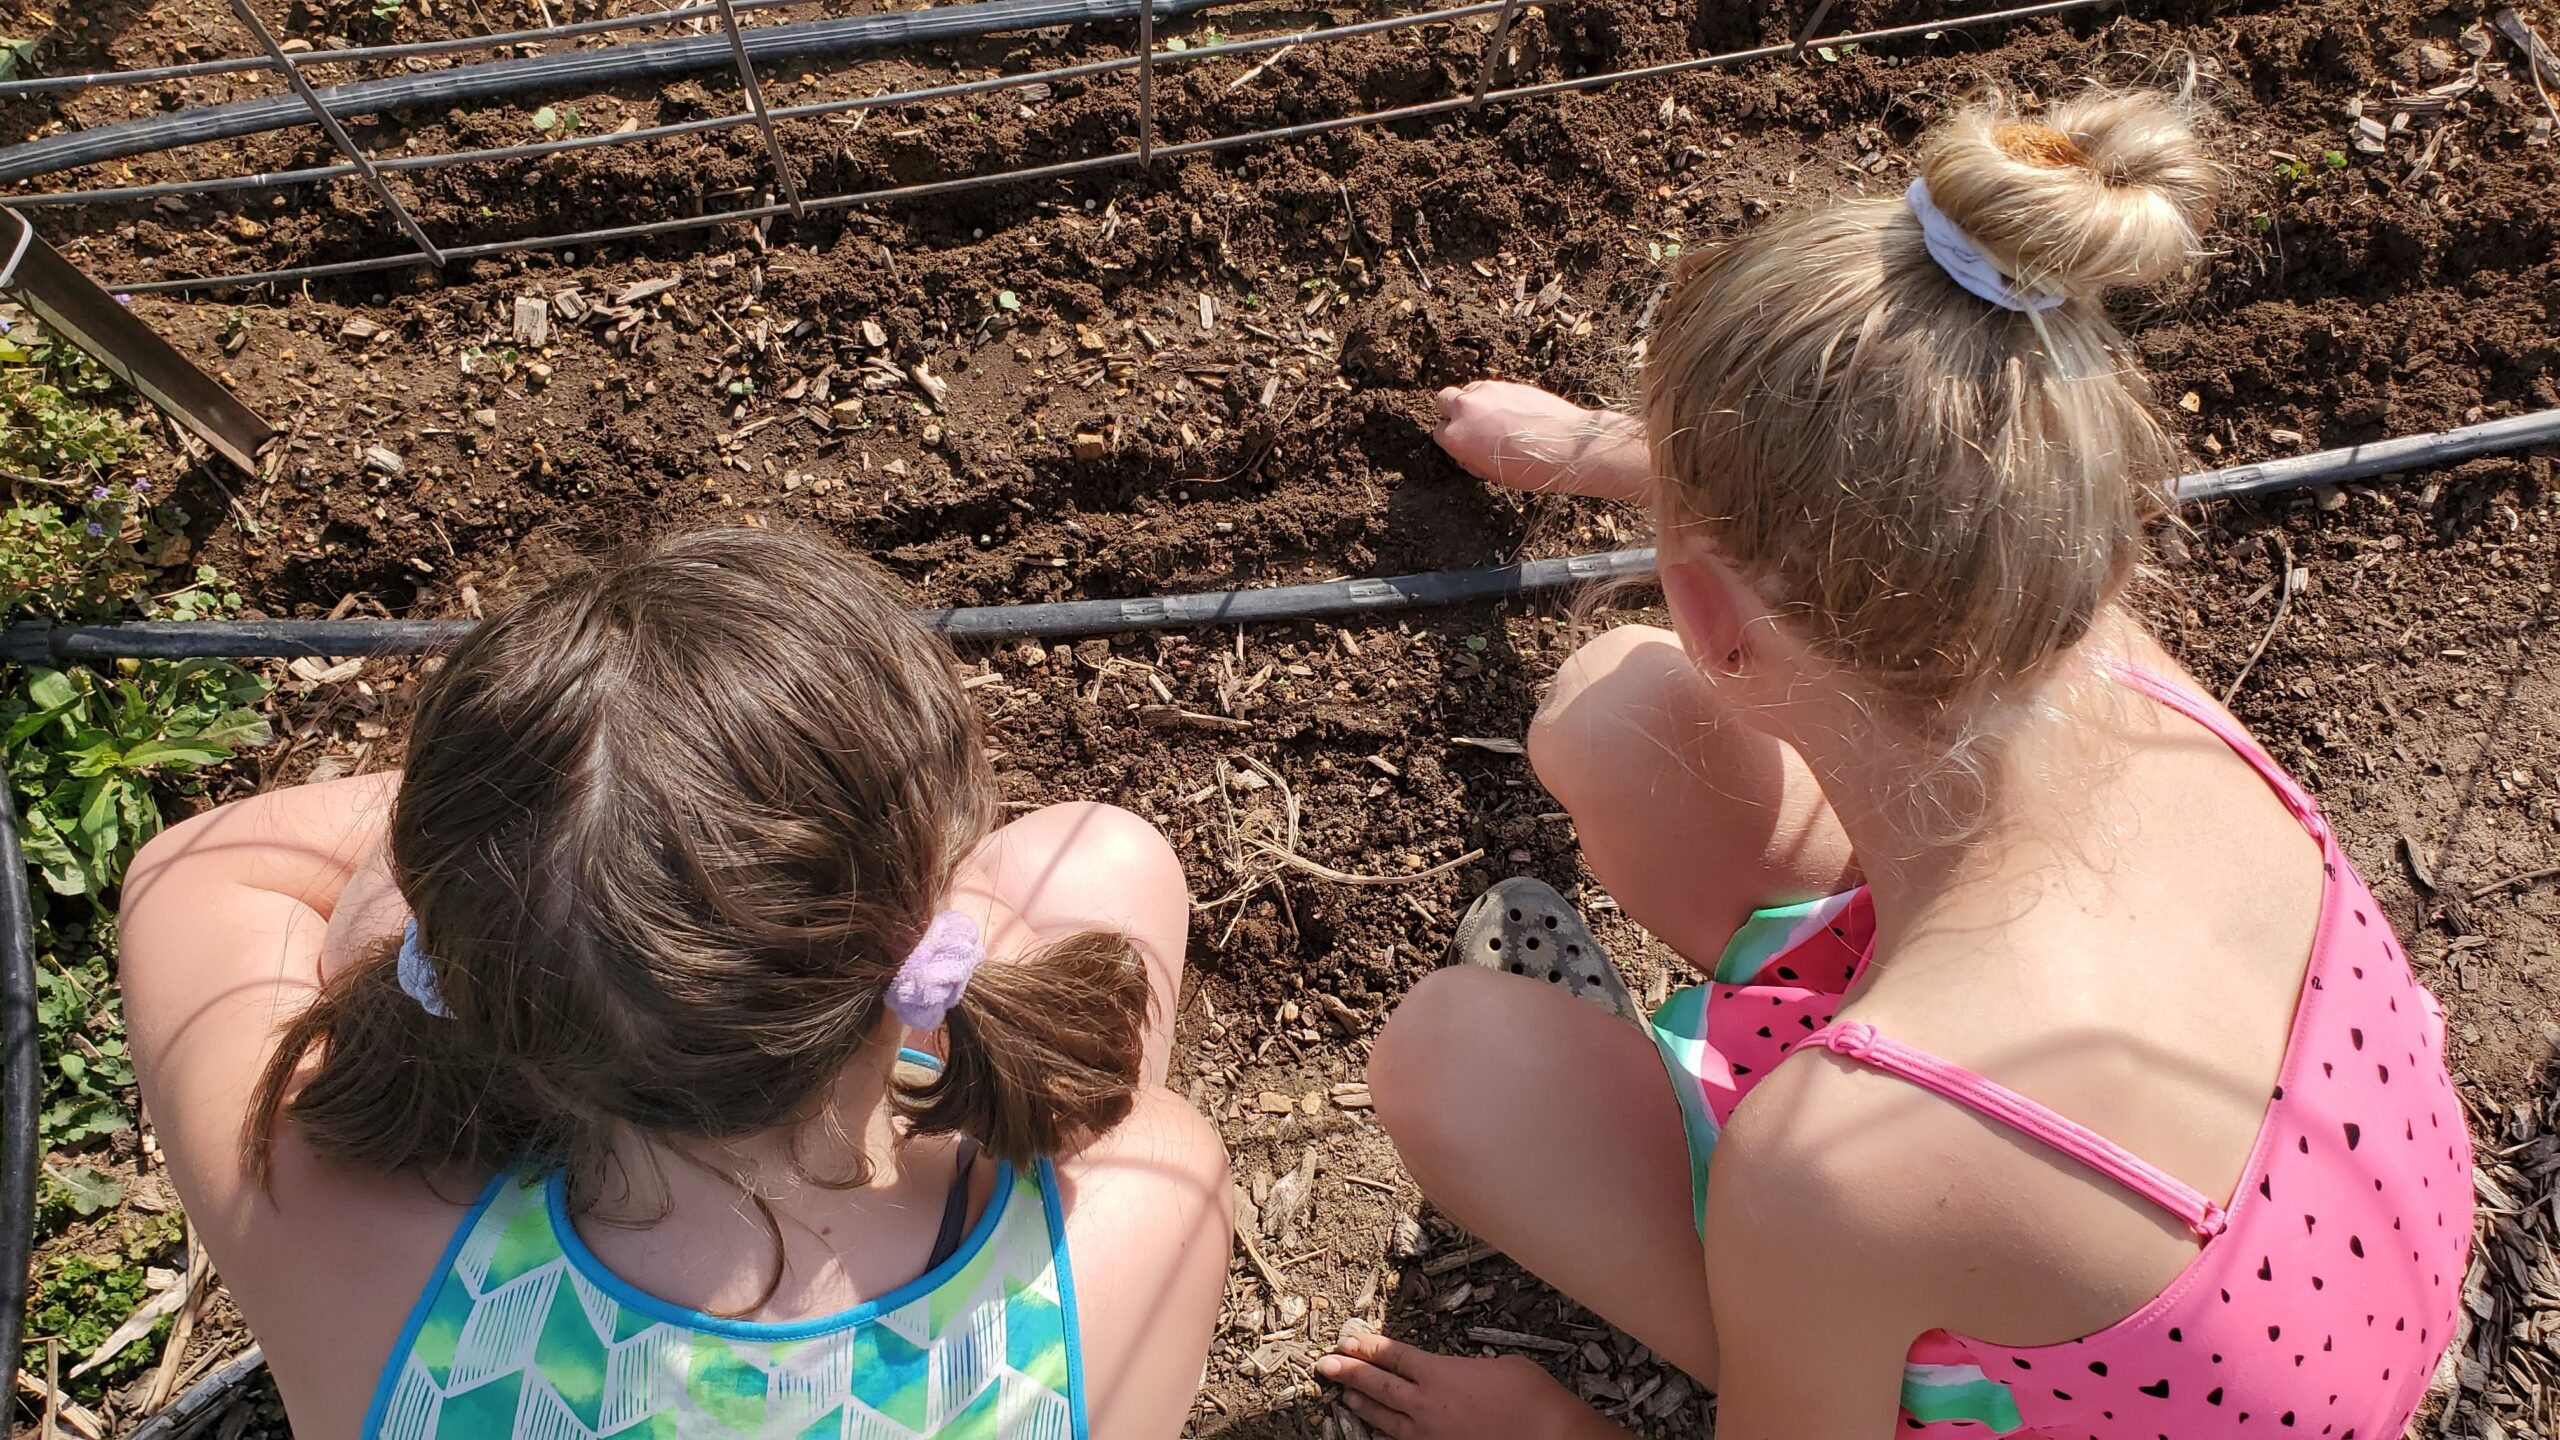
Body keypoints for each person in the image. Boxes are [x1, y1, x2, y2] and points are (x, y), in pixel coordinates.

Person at [1321, 90, 2472, 1439]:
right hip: (2320, 1269)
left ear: (1710, 619)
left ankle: (1773, 1268)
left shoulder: (1835, 1162)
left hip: (1997, 1253)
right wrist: (1593, 456)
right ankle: (1781, 1206)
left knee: (1455, 1060)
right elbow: (1901, 494)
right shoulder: (2092, 624)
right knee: (1613, 719)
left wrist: (1557, 1431)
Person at [119, 526, 1231, 1440]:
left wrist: (565, 825)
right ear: (919, 894)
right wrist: (669, 815)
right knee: (1102, 854)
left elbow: (195, 874)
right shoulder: (1138, 1197)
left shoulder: (324, 1215)